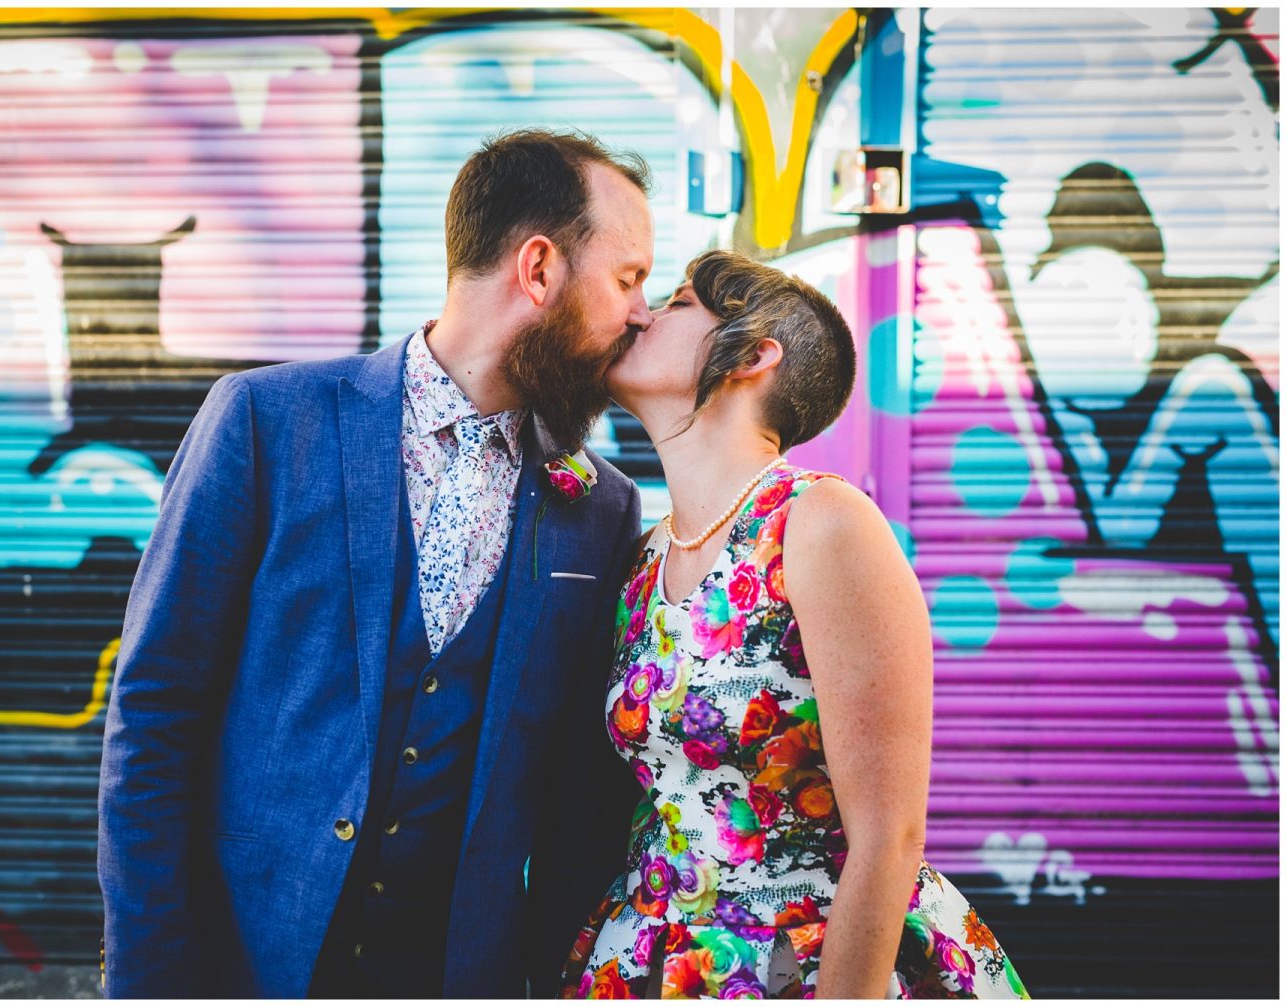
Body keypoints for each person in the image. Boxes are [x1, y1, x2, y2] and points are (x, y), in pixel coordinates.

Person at [97, 128, 653, 998]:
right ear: (539, 269)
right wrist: (152, 979)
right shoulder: (263, 421)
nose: (641, 314)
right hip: (249, 956)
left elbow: (584, 794)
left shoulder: (603, 504)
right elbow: (155, 713)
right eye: (629, 279)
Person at [557, 250, 1029, 999]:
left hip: (808, 964)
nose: (642, 313)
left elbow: (891, 834)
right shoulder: (644, 554)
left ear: (751, 354)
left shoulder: (822, 523)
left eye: (678, 303)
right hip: (655, 957)